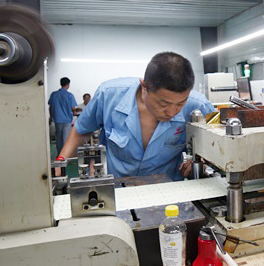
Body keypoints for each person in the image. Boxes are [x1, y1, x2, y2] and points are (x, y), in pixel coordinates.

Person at [57, 52, 215, 181]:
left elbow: (216, 140)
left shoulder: (198, 105)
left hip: (167, 190)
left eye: (180, 103)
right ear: (144, 87)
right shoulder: (108, 95)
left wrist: (202, 160)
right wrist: (59, 165)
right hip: (116, 189)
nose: (172, 111)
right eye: (163, 103)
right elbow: (81, 131)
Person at [48, 77, 78, 156]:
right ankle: (64, 156)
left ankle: (59, 154)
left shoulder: (54, 94)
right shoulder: (69, 95)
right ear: (68, 84)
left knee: (58, 139)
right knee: (66, 139)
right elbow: (73, 108)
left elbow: (50, 107)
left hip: (57, 120)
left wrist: (51, 117)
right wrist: (75, 111)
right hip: (67, 120)